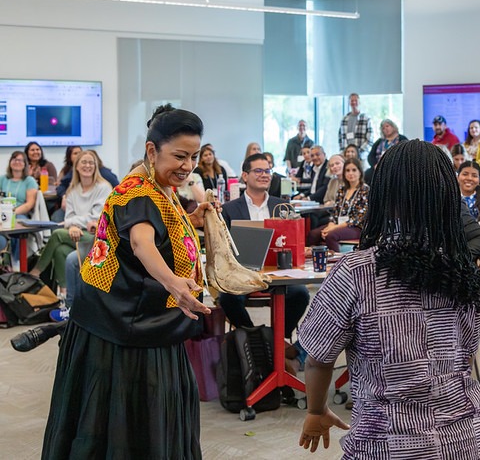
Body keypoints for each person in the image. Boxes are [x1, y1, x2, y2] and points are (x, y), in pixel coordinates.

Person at [297, 140, 480, 457]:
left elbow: (319, 357)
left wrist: (316, 410)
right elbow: (467, 356)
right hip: (466, 440)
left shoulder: (357, 272)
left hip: (386, 443)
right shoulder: (463, 269)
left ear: (383, 197)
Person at [42, 104, 214, 459]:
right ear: (152, 150)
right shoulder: (136, 191)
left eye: (194, 157)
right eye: (180, 156)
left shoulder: (159, 186)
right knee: (123, 424)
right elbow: (141, 242)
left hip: (141, 321)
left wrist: (193, 219)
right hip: (121, 331)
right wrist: (172, 282)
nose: (188, 166)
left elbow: (160, 227)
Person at [219, 153, 310, 348]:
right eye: (258, 171)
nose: (264, 175)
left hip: (279, 271)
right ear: (245, 176)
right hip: (244, 272)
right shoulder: (229, 209)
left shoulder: (283, 206)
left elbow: (294, 240)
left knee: (300, 294)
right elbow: (223, 247)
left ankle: (279, 339)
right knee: (227, 298)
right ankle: (255, 339)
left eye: (267, 171)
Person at [29, 151, 112, 296]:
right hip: (76, 235)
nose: (88, 166)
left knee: (57, 234)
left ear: (96, 166)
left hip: (97, 238)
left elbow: (96, 216)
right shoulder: (73, 190)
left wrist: (71, 223)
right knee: (60, 251)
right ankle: (66, 297)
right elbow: (71, 216)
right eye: (84, 162)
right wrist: (73, 226)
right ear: (77, 167)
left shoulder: (103, 187)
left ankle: (35, 272)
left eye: (91, 163)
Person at [308, 158, 368, 252]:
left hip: (356, 227)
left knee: (331, 235)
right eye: (347, 170)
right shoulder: (342, 190)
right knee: (313, 234)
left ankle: (337, 263)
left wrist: (333, 228)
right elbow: (335, 212)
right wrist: (330, 226)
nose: (350, 173)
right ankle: (315, 261)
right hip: (338, 224)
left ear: (360, 172)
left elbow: (359, 218)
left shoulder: (365, 190)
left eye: (354, 170)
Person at [0, 151, 38, 220]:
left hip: (20, 214)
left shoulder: (29, 181)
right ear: (10, 162)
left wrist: (11, 212)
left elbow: (29, 204)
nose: (17, 162)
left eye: (20, 160)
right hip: (2, 211)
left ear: (25, 164)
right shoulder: (2, 179)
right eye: (14, 159)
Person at [338, 93, 373, 160]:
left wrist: (359, 152)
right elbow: (340, 138)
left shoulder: (366, 118)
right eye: (352, 100)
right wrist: (343, 152)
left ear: (359, 102)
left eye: (355, 100)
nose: (354, 102)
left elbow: (370, 140)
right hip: (346, 156)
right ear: (349, 102)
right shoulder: (344, 119)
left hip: (361, 156)